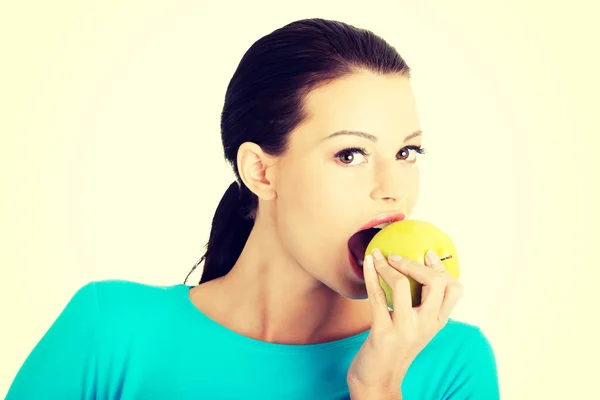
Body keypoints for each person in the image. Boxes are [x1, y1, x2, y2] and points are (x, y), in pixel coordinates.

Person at [6, 18, 500, 399]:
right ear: (262, 172)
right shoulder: (110, 330)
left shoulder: (451, 362)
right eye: (351, 154)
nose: (393, 189)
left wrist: (379, 388)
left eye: (406, 153)